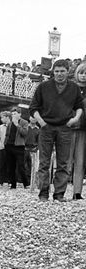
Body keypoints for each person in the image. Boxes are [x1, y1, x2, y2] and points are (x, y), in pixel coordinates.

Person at [30, 59, 83, 202]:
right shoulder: (43, 87)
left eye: (62, 71)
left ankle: (59, 193)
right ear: (53, 72)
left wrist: (75, 118)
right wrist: (41, 122)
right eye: (57, 71)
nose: (59, 74)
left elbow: (79, 106)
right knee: (44, 162)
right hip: (46, 126)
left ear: (67, 72)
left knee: (64, 162)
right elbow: (33, 107)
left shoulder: (74, 88)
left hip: (65, 127)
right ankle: (43, 193)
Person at [4, 107, 30, 189]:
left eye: (15, 114)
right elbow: (7, 134)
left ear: (19, 114)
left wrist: (17, 125)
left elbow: (25, 133)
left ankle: (26, 184)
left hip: (19, 147)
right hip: (9, 146)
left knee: (21, 166)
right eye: (12, 114)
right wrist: (5, 143)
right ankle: (13, 184)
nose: (13, 116)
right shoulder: (10, 123)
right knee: (10, 166)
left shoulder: (24, 122)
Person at [71, 62, 86, 200]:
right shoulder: (70, 88)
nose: (83, 76)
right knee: (65, 160)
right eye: (81, 73)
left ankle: (77, 192)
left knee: (80, 162)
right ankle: (60, 190)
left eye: (85, 73)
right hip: (69, 127)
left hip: (83, 129)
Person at [25, 116, 41, 192]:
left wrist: (36, 148)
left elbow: (39, 141)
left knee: (33, 167)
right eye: (32, 117)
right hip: (24, 148)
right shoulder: (25, 128)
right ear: (29, 118)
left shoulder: (38, 130)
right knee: (24, 166)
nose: (33, 119)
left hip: (34, 149)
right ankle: (26, 182)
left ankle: (33, 182)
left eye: (35, 118)